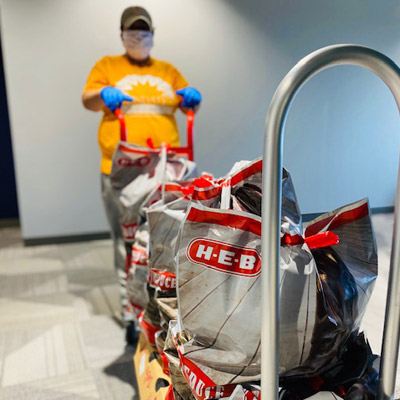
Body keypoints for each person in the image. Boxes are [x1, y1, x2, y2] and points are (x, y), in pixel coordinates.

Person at [82, 6, 202, 328]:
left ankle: (164, 304)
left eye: (144, 30)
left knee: (168, 236)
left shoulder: (167, 70)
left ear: (152, 34)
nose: (139, 36)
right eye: (133, 30)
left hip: (166, 169)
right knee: (127, 239)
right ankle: (130, 310)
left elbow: (190, 101)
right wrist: (103, 95)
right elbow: (89, 99)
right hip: (121, 171)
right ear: (122, 35)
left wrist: (193, 98)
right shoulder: (107, 66)